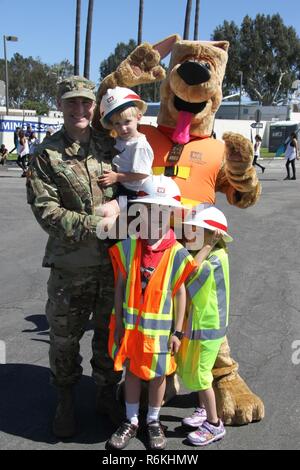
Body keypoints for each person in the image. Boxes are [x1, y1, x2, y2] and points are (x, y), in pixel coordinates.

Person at [26, 75, 123, 439]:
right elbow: (47, 212)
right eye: (71, 102)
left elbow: (132, 186)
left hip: (112, 267)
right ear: (60, 105)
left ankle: (105, 393)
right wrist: (99, 223)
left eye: (85, 102)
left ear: (94, 107)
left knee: (109, 336)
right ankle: (65, 398)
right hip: (71, 266)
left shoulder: (109, 146)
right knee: (64, 339)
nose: (79, 108)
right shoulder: (46, 154)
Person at [107, 175, 197, 450]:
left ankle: (153, 421)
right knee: (132, 373)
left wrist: (178, 331)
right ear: (139, 211)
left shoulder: (178, 253)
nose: (155, 216)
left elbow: (180, 293)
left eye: (163, 210)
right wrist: (120, 322)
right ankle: (131, 420)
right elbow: (121, 286)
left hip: (160, 334)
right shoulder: (128, 246)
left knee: (158, 376)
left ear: (171, 213)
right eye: (149, 209)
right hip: (132, 330)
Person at [176, 206, 232, 446]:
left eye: (198, 231)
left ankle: (214, 423)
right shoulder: (214, 254)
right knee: (199, 371)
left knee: (201, 374)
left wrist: (207, 246)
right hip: (203, 325)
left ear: (211, 234)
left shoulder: (214, 258)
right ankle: (203, 410)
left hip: (208, 327)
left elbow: (190, 275)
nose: (192, 234)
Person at [98, 86, 153, 201]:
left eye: (127, 122)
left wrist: (117, 177)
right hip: (122, 187)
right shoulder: (120, 140)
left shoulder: (139, 145)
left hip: (135, 193)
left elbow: (142, 174)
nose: (123, 128)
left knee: (114, 214)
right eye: (117, 124)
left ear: (138, 117)